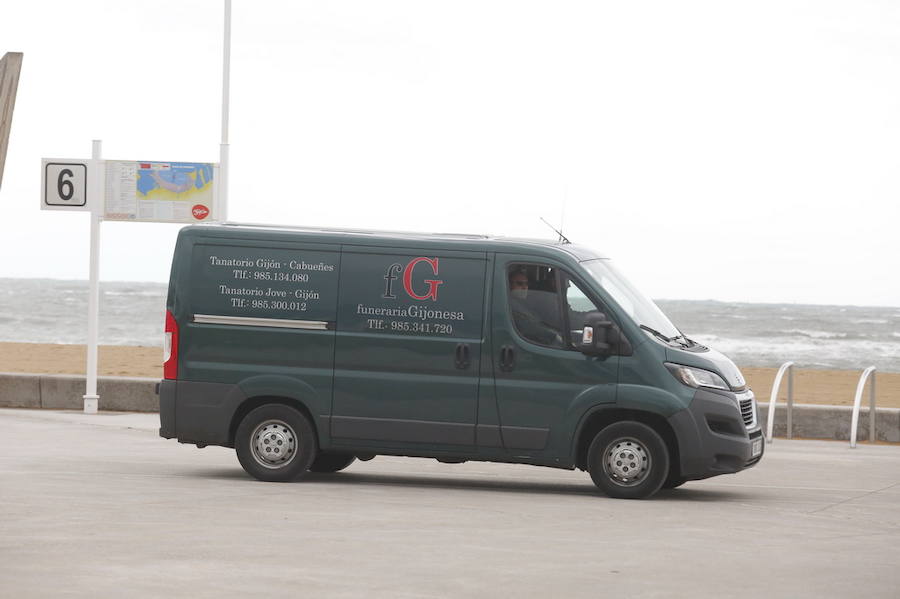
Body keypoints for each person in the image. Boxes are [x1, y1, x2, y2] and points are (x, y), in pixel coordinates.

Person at [508, 268, 564, 347]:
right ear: (509, 285)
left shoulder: (524, 303)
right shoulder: (511, 305)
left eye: (526, 284)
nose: (524, 287)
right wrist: (555, 336)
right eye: (520, 284)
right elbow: (531, 328)